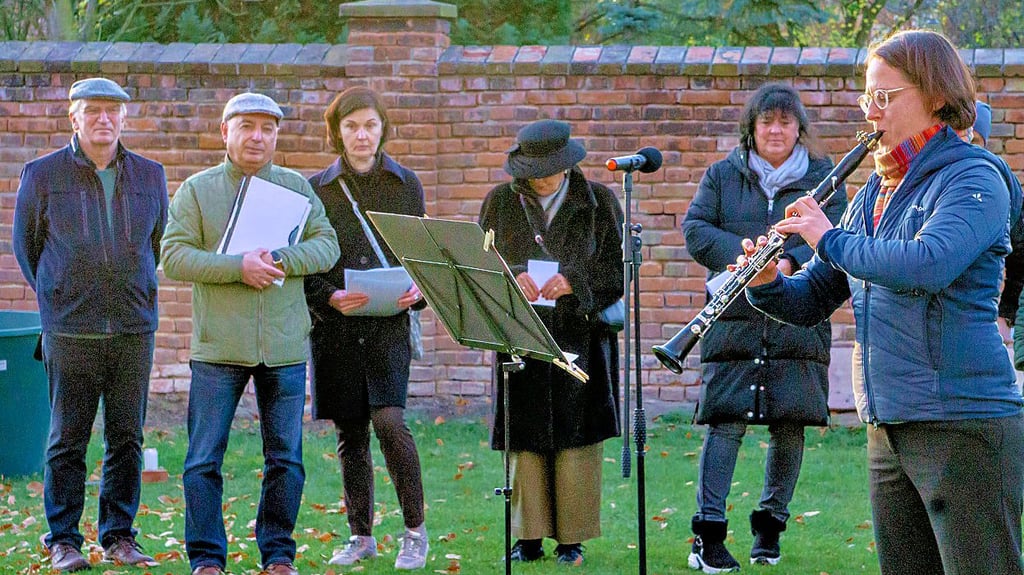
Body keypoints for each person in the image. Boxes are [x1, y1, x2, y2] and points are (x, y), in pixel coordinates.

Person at [743, 30, 1024, 575]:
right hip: (889, 421)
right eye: (865, 97)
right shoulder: (876, 188)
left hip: (962, 421)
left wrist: (828, 237)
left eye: (883, 97)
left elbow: (927, 264)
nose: (869, 112)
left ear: (936, 96)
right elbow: (814, 296)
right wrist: (767, 283)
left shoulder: (975, 177)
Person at [161, 92, 340, 575]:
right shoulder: (197, 190)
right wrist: (237, 267)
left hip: (283, 347)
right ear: (225, 132)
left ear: (277, 135)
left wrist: (279, 259)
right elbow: (173, 256)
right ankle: (206, 558)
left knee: (286, 459)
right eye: (246, 126)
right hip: (218, 347)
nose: (257, 137)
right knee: (203, 459)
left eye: (267, 128)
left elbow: (327, 246)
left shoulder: (296, 188)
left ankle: (278, 554)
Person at [680, 83, 843, 573]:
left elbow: (835, 234)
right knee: (725, 421)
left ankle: (769, 529)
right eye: (766, 121)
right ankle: (708, 535)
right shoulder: (721, 175)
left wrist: (788, 262)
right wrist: (750, 258)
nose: (776, 130)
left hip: (797, 312)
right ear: (751, 127)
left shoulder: (825, 178)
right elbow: (696, 229)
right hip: (732, 314)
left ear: (799, 129)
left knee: (790, 422)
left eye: (785, 122)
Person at [12, 77, 166, 572]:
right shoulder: (42, 174)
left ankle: (119, 535)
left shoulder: (151, 175)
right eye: (93, 110)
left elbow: (155, 242)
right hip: (70, 329)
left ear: (124, 118)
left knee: (128, 437)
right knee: (67, 439)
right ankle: (63, 539)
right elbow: (27, 248)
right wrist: (60, 294)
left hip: (133, 327)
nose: (104, 119)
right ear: (73, 118)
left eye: (112, 111)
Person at [478, 119, 623, 566]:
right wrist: (514, 276)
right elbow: (481, 264)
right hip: (521, 336)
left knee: (577, 440)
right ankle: (527, 536)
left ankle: (571, 539)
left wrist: (574, 283)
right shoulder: (500, 202)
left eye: (549, 170)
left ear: (566, 164)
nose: (541, 179)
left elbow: (618, 271)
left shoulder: (600, 201)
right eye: (533, 171)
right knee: (525, 441)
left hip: (581, 336)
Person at [303, 86, 431, 571]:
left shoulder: (405, 184)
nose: (361, 135)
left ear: (383, 129)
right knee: (350, 432)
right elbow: (304, 260)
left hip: (388, 325)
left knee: (390, 422)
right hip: (336, 327)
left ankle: (415, 532)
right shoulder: (316, 189)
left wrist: (418, 289)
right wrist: (328, 296)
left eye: (370, 125)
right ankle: (361, 536)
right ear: (337, 132)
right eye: (352, 126)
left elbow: (422, 254)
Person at [967, 102, 1024, 337]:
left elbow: (1020, 255)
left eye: (973, 141)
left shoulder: (1000, 184)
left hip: (980, 315)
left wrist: (1006, 315)